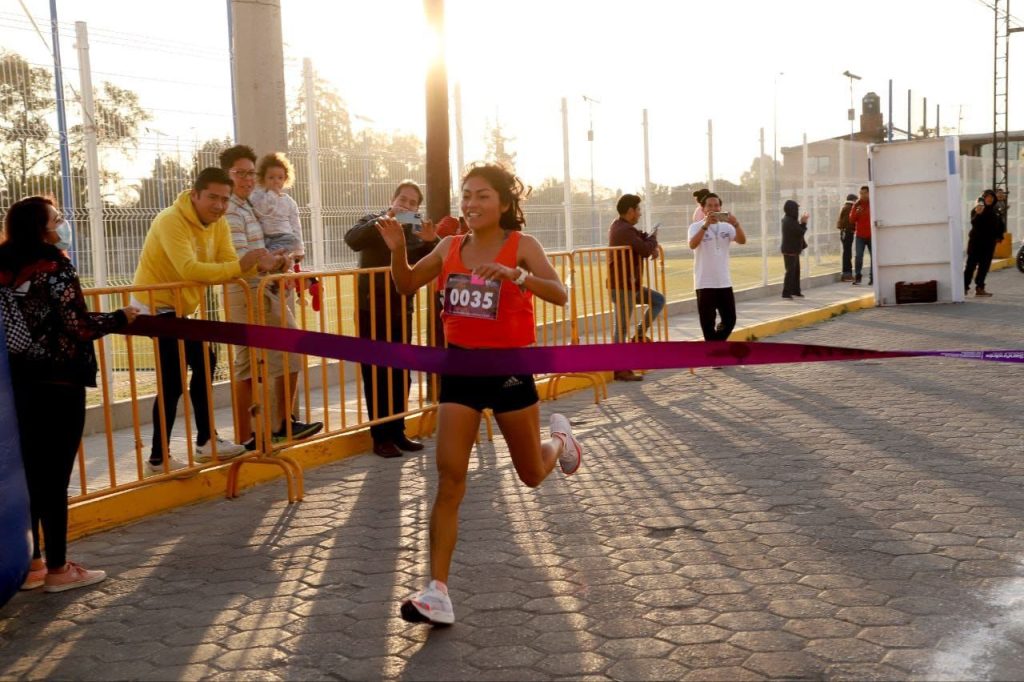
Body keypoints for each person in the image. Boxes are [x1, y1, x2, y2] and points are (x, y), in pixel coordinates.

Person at [377, 164, 583, 626]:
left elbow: (560, 293)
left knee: (531, 474)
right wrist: (396, 252)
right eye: (466, 195)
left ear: (505, 203)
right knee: (449, 477)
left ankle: (561, 444)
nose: (471, 204)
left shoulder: (522, 246)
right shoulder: (450, 246)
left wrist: (517, 276)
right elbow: (407, 284)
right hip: (460, 369)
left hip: (509, 369)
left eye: (483, 196)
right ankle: (438, 592)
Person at [1, 196, 137, 592]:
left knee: (28, 475)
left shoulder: (4, 267)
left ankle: (32, 564)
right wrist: (119, 318)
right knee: (53, 479)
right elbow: (77, 326)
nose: (62, 223)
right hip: (60, 384)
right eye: (56, 218)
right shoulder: (54, 265)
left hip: (19, 386)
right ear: (41, 228)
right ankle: (60, 570)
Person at [132, 167, 281, 475]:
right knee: (173, 381)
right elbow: (189, 269)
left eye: (225, 199)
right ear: (194, 194)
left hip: (181, 310)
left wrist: (259, 266)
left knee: (204, 360)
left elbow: (231, 266)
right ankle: (159, 459)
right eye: (212, 197)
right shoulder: (171, 220)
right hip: (153, 308)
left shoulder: (218, 224)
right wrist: (240, 265)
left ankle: (204, 442)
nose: (218, 205)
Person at [219, 145, 322, 449]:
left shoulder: (252, 205)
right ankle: (246, 436)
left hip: (267, 286)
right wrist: (262, 258)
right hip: (244, 290)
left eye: (251, 173)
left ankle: (281, 424)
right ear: (228, 174)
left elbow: (268, 242)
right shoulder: (229, 209)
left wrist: (278, 260)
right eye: (241, 173)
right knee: (247, 362)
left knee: (287, 352)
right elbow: (239, 256)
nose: (248, 179)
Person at [344, 181, 436, 458]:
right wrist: (387, 219)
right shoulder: (374, 222)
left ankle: (398, 431)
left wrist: (432, 239)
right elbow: (352, 239)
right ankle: (380, 436)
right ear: (392, 199)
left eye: (411, 204)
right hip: (370, 309)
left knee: (401, 373)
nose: (405, 206)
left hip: (401, 309)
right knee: (376, 373)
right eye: (402, 200)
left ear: (417, 208)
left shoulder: (416, 232)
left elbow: (436, 258)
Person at [607, 194, 664, 382]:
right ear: (630, 211)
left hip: (632, 286)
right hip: (623, 286)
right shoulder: (622, 230)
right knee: (621, 328)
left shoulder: (625, 228)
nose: (640, 213)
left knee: (658, 300)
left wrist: (650, 241)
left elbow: (642, 239)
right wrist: (654, 241)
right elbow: (644, 248)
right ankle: (620, 368)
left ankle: (639, 336)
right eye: (638, 209)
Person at [687, 193, 747, 341]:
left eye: (716, 205)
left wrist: (736, 224)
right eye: (709, 206)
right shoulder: (695, 227)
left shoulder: (727, 227)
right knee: (707, 322)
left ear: (720, 208)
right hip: (704, 282)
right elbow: (692, 245)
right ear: (703, 208)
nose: (713, 208)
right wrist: (705, 226)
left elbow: (742, 240)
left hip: (724, 282)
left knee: (730, 319)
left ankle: (716, 345)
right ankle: (714, 353)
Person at [965, 189, 1003, 297]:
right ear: (983, 198)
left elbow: (1000, 225)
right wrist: (978, 214)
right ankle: (964, 287)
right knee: (970, 267)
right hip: (976, 244)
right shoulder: (977, 209)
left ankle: (980, 288)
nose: (989, 199)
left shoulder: (995, 211)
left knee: (984, 268)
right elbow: (974, 223)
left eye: (991, 197)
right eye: (987, 197)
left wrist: (999, 236)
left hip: (989, 245)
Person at [780, 199, 809, 299]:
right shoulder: (789, 220)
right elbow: (800, 232)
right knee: (790, 272)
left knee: (796, 272)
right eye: (796, 208)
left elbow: (797, 231)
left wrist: (801, 223)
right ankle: (786, 293)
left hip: (792, 250)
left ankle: (795, 291)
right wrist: (804, 223)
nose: (797, 210)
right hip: (790, 250)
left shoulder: (790, 219)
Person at [848, 185, 872, 286]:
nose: (862, 195)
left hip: (871, 235)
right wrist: (856, 213)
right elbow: (851, 220)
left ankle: (873, 277)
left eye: (864, 193)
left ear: (869, 193)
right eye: (860, 193)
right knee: (858, 256)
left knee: (873, 257)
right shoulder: (857, 204)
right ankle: (858, 277)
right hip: (860, 235)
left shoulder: (873, 203)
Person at [836, 193, 856, 281]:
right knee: (847, 254)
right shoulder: (849, 208)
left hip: (845, 232)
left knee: (847, 253)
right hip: (847, 232)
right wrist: (853, 229)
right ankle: (846, 274)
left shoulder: (846, 207)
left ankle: (847, 274)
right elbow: (849, 221)